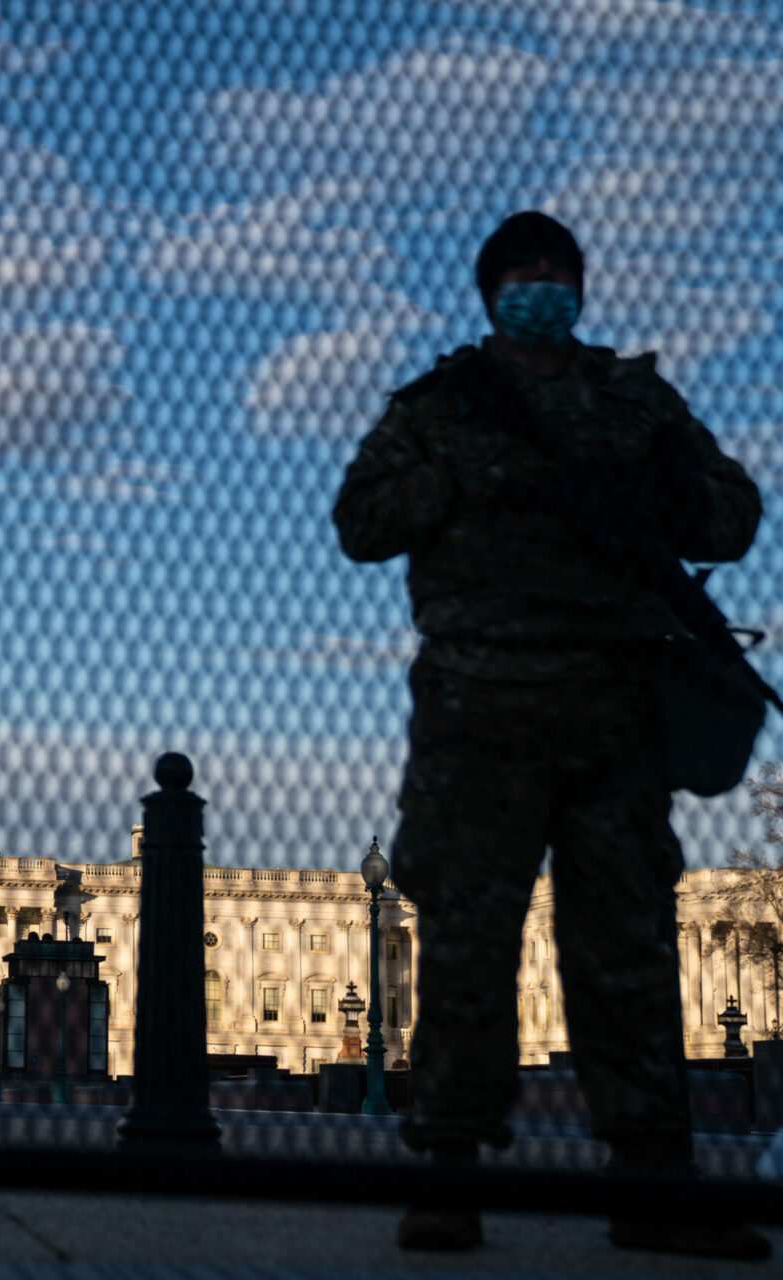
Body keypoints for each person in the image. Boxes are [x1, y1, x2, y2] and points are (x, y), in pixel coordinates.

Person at [333, 212, 769, 1261]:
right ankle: (447, 1170)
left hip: (613, 712)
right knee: (467, 946)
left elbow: (734, 515)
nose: (541, 286)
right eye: (523, 273)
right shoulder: (440, 406)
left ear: (578, 286)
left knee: (626, 945)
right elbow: (361, 522)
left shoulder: (636, 403)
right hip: (478, 714)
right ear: (492, 293)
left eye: (555, 272)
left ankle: (651, 1177)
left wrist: (656, 493)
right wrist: (469, 481)